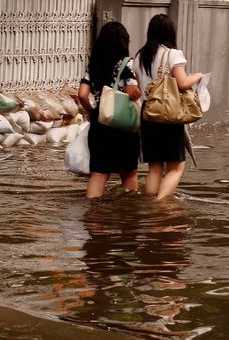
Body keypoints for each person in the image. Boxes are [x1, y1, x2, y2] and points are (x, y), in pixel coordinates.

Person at [134, 14, 203, 200]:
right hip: (168, 113)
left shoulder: (140, 56)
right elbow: (182, 83)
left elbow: (141, 88)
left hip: (148, 113)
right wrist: (197, 76)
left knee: (154, 168)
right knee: (176, 167)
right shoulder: (173, 54)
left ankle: (149, 204)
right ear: (170, 32)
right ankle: (160, 203)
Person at [78, 21, 142, 199]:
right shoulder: (127, 64)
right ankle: (127, 214)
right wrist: (140, 90)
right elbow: (133, 93)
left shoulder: (93, 65)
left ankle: (93, 217)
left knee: (99, 173)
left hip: (100, 120)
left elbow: (82, 94)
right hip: (123, 123)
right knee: (129, 173)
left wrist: (91, 111)